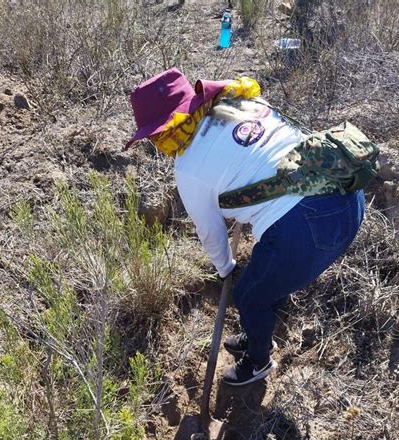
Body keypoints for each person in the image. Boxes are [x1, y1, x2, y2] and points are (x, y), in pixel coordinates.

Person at [124, 68, 365, 386]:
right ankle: (258, 334)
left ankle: (258, 361)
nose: (156, 142)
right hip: (349, 196)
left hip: (308, 226)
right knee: (265, 283)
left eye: (156, 133)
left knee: (249, 295)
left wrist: (225, 268)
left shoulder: (189, 167)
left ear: (168, 127)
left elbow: (211, 233)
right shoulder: (240, 103)